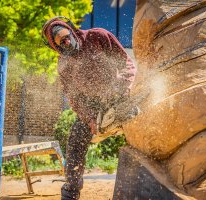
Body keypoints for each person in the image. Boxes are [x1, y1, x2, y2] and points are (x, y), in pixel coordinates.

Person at [42, 16, 137, 200]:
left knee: (134, 116)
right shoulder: (63, 65)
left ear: (71, 29)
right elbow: (75, 99)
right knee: (76, 139)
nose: (67, 42)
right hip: (92, 107)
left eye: (67, 36)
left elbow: (126, 63)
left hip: (117, 92)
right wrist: (90, 119)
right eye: (62, 42)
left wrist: (120, 88)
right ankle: (70, 191)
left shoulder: (98, 36)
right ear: (56, 47)